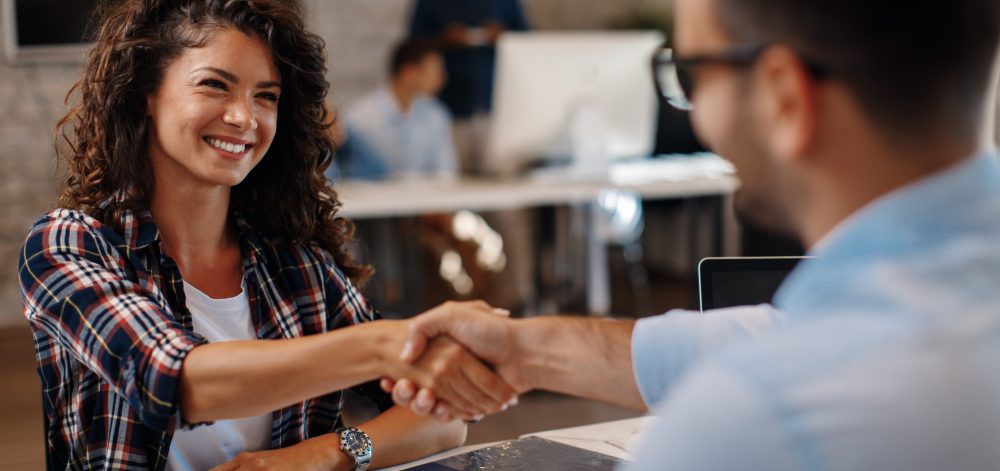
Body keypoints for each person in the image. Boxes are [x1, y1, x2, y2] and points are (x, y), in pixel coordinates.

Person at [387, 0, 1000, 469]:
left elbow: (774, 365)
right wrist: (522, 350)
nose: (695, 112)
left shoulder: (752, 423)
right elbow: (764, 334)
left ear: (784, 97)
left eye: (693, 72)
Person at [17, 1, 516, 469]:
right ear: (146, 93)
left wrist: (318, 456)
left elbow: (443, 419)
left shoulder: (297, 266)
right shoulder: (69, 246)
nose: (244, 117)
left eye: (266, 96)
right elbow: (176, 380)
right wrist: (387, 344)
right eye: (214, 85)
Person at [408, 0, 529, 174]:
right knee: (452, 177)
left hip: (494, 104)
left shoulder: (507, 2)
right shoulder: (430, 3)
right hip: (450, 107)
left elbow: (527, 39)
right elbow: (413, 45)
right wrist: (443, 39)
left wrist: (504, 36)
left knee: (499, 179)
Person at [332, 38, 457, 180]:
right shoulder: (359, 117)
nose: (442, 78)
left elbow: (446, 174)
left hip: (427, 200)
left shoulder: (436, 115)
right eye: (435, 71)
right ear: (409, 73)